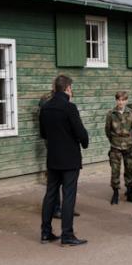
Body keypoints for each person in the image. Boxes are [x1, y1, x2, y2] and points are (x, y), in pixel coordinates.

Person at [39, 75, 90, 246]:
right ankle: (67, 235)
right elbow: (80, 132)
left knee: (50, 194)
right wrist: (84, 142)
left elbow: (43, 133)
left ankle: (45, 233)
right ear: (68, 88)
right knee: (68, 196)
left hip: (53, 157)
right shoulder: (69, 107)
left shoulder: (45, 108)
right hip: (69, 159)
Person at [105, 91, 132, 204]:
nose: (121, 102)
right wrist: (114, 140)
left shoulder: (131, 113)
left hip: (129, 146)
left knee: (130, 170)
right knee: (115, 171)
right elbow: (107, 130)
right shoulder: (111, 114)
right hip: (115, 146)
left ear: (126, 101)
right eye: (119, 100)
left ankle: (130, 192)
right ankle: (115, 193)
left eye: (123, 100)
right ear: (116, 100)